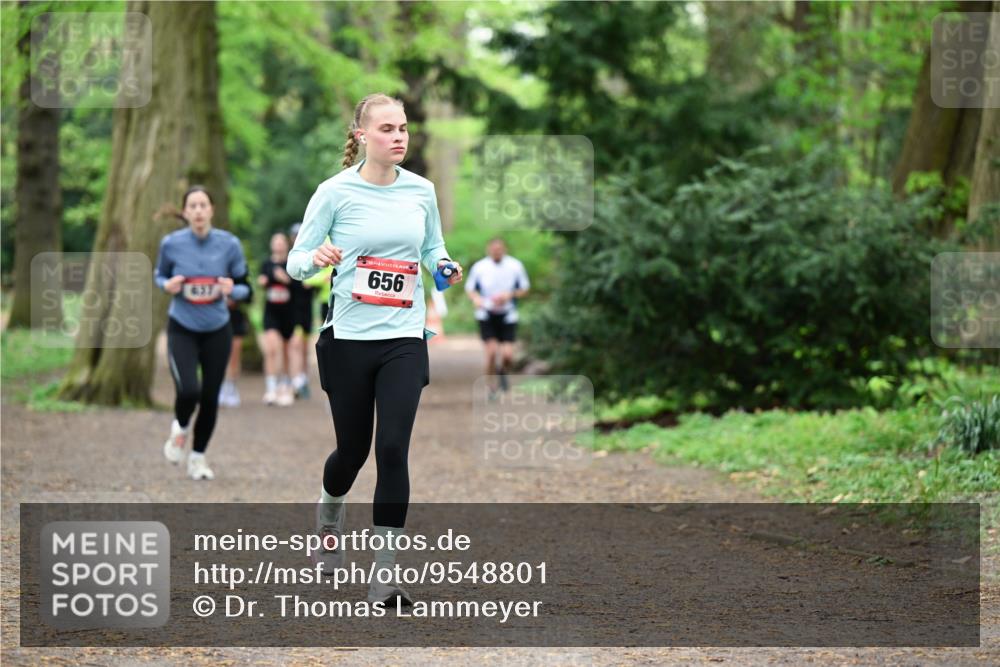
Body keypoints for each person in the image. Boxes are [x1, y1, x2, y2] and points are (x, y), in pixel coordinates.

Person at [288, 92, 463, 606]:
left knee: (391, 449)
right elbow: (296, 260)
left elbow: (432, 248)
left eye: (403, 127)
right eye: (387, 128)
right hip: (348, 340)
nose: (399, 136)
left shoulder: (422, 191)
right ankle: (329, 514)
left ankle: (384, 575)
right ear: (362, 136)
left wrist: (444, 267)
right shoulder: (334, 192)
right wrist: (316, 257)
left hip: (404, 340)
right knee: (352, 453)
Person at [154, 185, 250, 481]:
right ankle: (181, 427)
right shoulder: (171, 244)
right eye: (192, 206)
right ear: (185, 212)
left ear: (212, 210)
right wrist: (166, 285)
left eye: (203, 205)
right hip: (182, 327)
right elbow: (159, 275)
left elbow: (246, 288)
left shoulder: (229, 244)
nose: (198, 211)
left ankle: (198, 458)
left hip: (217, 329)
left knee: (209, 397)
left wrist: (232, 289)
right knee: (188, 390)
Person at [465, 237, 530, 395]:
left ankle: (502, 371)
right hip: (486, 314)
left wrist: (510, 295)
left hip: (508, 314)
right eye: (494, 250)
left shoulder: (515, 265)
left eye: (499, 250)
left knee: (508, 355)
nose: (496, 252)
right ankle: (491, 386)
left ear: (504, 249)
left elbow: (525, 288)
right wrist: (477, 299)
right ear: (488, 250)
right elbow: (470, 289)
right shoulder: (480, 267)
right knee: (492, 352)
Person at [259, 232, 297, 407]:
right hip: (271, 313)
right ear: (271, 245)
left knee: (287, 351)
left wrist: (287, 280)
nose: (279, 245)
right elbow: (263, 280)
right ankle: (271, 388)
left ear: (286, 245)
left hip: (288, 313)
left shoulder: (292, 264)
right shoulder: (266, 264)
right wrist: (264, 281)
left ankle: (285, 385)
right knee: (272, 349)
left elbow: (300, 287)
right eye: (276, 242)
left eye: (282, 242)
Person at [288, 222, 316, 399]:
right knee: (295, 344)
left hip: (307, 309)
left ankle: (303, 379)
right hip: (292, 311)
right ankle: (295, 380)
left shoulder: (312, 258)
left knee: (305, 347)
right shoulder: (290, 259)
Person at [219, 292, 252, 408]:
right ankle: (219, 388)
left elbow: (249, 296)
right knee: (217, 356)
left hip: (235, 319)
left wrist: (236, 298)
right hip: (215, 318)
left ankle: (231, 387)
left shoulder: (239, 280)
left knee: (234, 356)